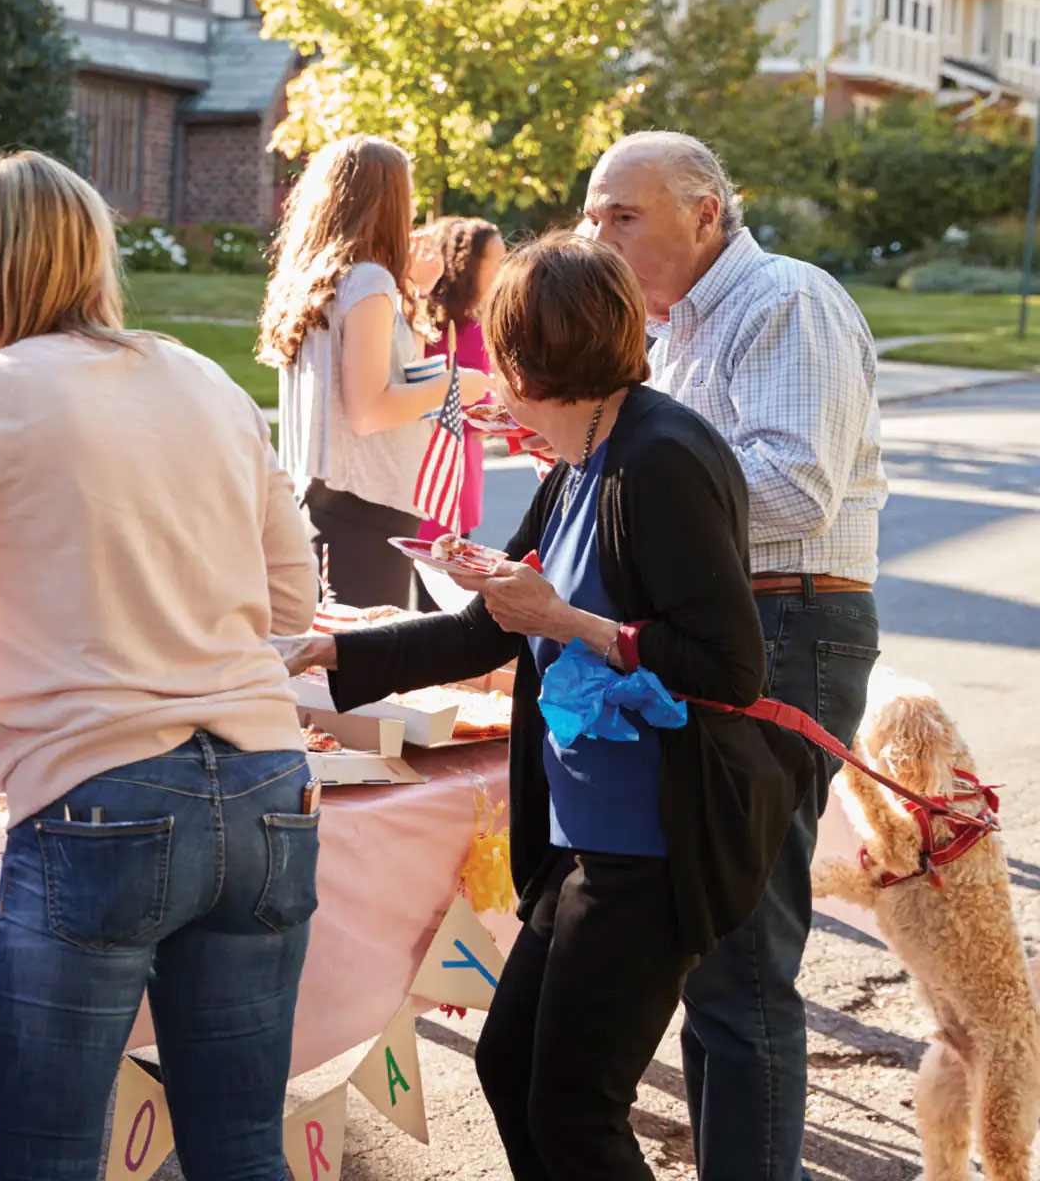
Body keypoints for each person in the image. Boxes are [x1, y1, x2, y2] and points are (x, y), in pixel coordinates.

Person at [279, 233, 813, 1179]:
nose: (484, 364)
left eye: (495, 345)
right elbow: (495, 623)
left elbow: (729, 667)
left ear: (526, 359)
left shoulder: (660, 458)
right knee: (511, 1063)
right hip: (581, 837)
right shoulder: (581, 456)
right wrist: (336, 651)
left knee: (574, 1108)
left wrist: (567, 620)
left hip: (652, 844)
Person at [0, 151, 320, 1180]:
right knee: (241, 1148)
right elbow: (292, 602)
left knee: (43, 1157)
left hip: (102, 795)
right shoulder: (199, 376)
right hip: (268, 780)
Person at [583, 129, 886, 1180]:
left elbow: (797, 491)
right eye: (593, 213)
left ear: (705, 213)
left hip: (788, 626)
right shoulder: (671, 333)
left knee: (746, 960)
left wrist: (638, 501)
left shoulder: (784, 301)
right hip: (730, 629)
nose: (598, 234)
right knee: (716, 952)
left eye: (624, 214)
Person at [260, 135, 487, 609]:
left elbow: (386, 370)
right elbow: (369, 409)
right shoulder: (368, 280)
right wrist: (455, 386)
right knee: (356, 670)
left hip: (328, 502)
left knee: (327, 662)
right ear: (387, 199)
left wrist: (416, 294)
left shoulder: (325, 278)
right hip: (362, 506)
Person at [418, 215, 506, 543]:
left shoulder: (473, 322)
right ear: (467, 266)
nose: (502, 272)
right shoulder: (440, 326)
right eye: (494, 262)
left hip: (460, 467)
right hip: (437, 467)